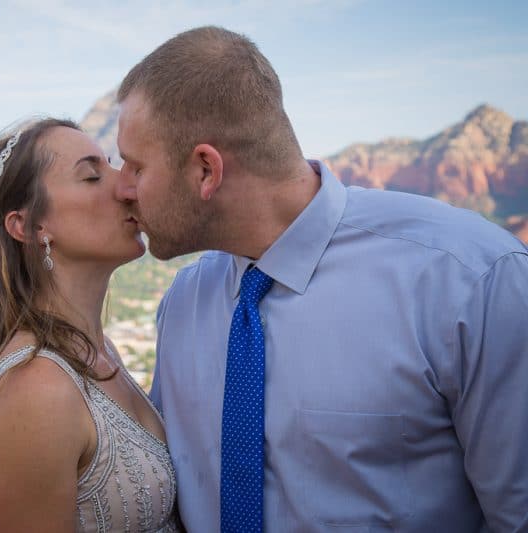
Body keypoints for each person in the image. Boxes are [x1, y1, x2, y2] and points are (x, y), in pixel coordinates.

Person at [115, 25, 528, 532]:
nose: (120, 188)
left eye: (134, 167)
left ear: (206, 170)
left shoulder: (468, 281)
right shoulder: (183, 302)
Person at [0, 118, 182, 532]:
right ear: (31, 226)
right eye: (92, 176)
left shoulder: (100, 350)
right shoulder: (37, 389)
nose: (127, 187)